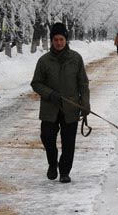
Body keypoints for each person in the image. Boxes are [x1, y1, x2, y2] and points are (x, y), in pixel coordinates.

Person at [31, 22, 90, 184]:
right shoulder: (44, 61)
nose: (58, 42)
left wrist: (85, 105)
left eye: (61, 39)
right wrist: (50, 94)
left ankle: (64, 171)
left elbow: (83, 84)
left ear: (66, 40)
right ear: (52, 40)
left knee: (69, 142)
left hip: (71, 108)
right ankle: (52, 164)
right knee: (47, 138)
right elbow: (36, 83)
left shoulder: (76, 59)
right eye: (56, 39)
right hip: (50, 108)